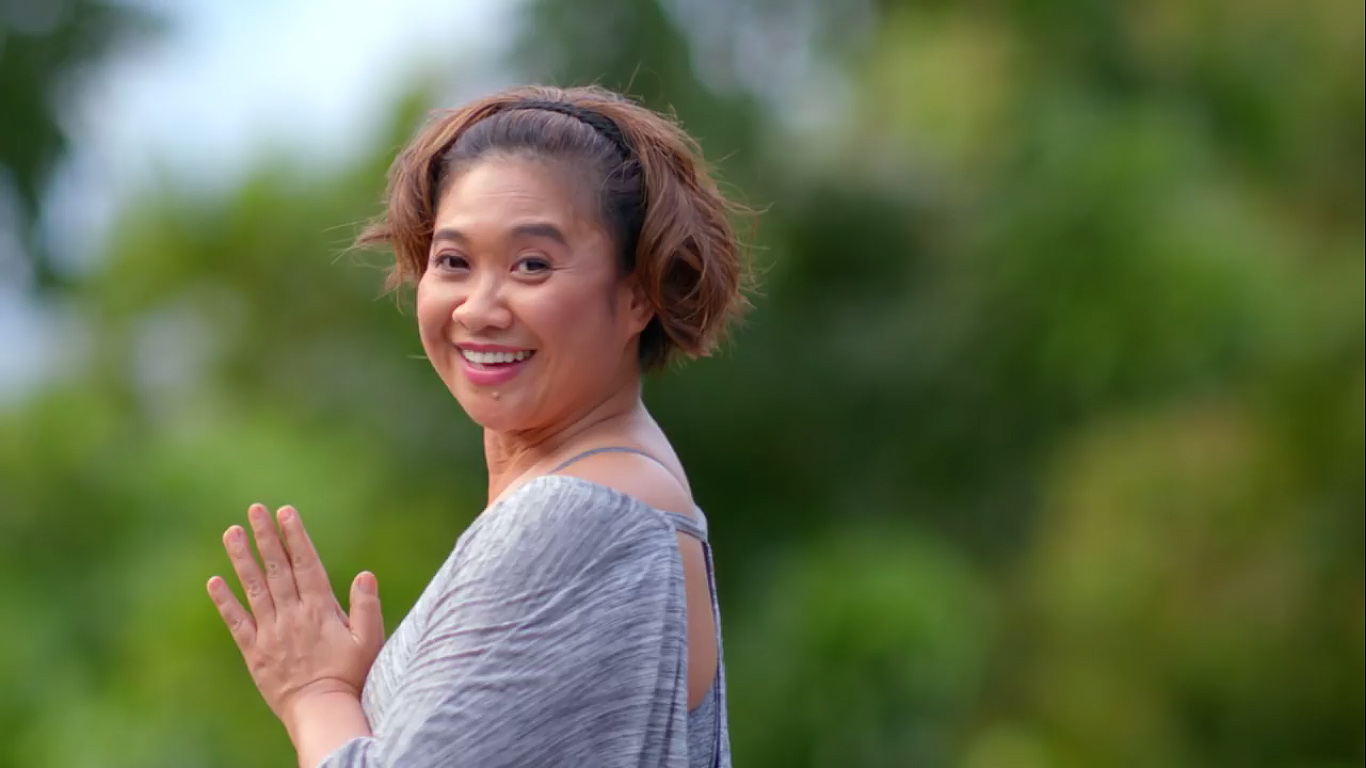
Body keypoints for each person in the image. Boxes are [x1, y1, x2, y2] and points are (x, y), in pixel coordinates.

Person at [204, 84, 750, 767]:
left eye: (532, 265)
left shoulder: (580, 514)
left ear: (639, 293)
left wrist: (313, 692)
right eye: (454, 262)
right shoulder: (633, 491)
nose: (479, 309)